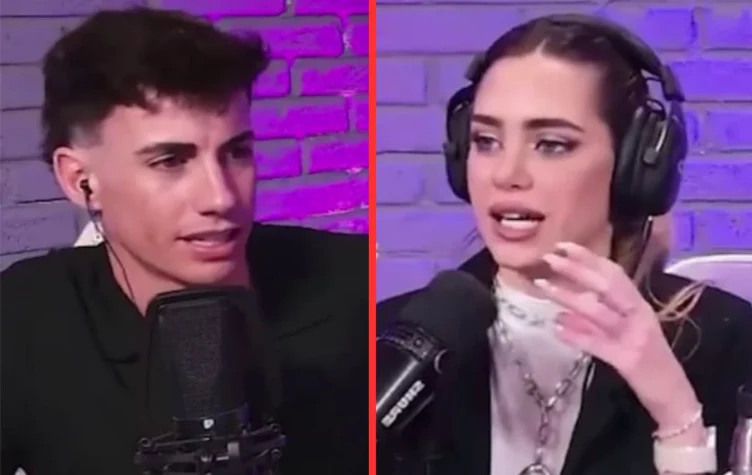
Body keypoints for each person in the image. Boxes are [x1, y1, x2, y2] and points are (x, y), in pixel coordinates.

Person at [377, 14, 752, 475]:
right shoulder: (386, 344)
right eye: (486, 141)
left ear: (635, 165)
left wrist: (677, 415)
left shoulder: (728, 344)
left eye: (552, 144)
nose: (506, 174)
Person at [0, 7, 367, 475]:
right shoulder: (24, 319)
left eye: (237, 152)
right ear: (80, 180)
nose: (221, 197)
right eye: (170, 161)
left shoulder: (357, 283)